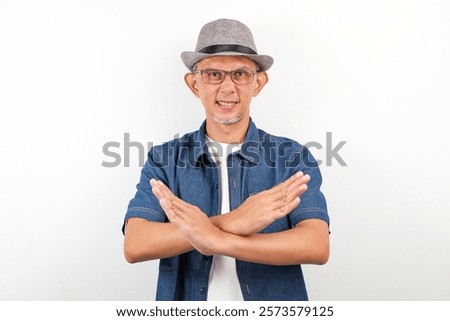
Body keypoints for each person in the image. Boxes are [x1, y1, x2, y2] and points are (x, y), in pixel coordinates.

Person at [122, 18, 330, 301]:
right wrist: (234, 221)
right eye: (213, 74)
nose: (228, 88)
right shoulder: (164, 160)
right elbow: (135, 245)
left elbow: (316, 246)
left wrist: (217, 239)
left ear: (258, 82)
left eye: (241, 74)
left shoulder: (292, 157)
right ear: (194, 84)